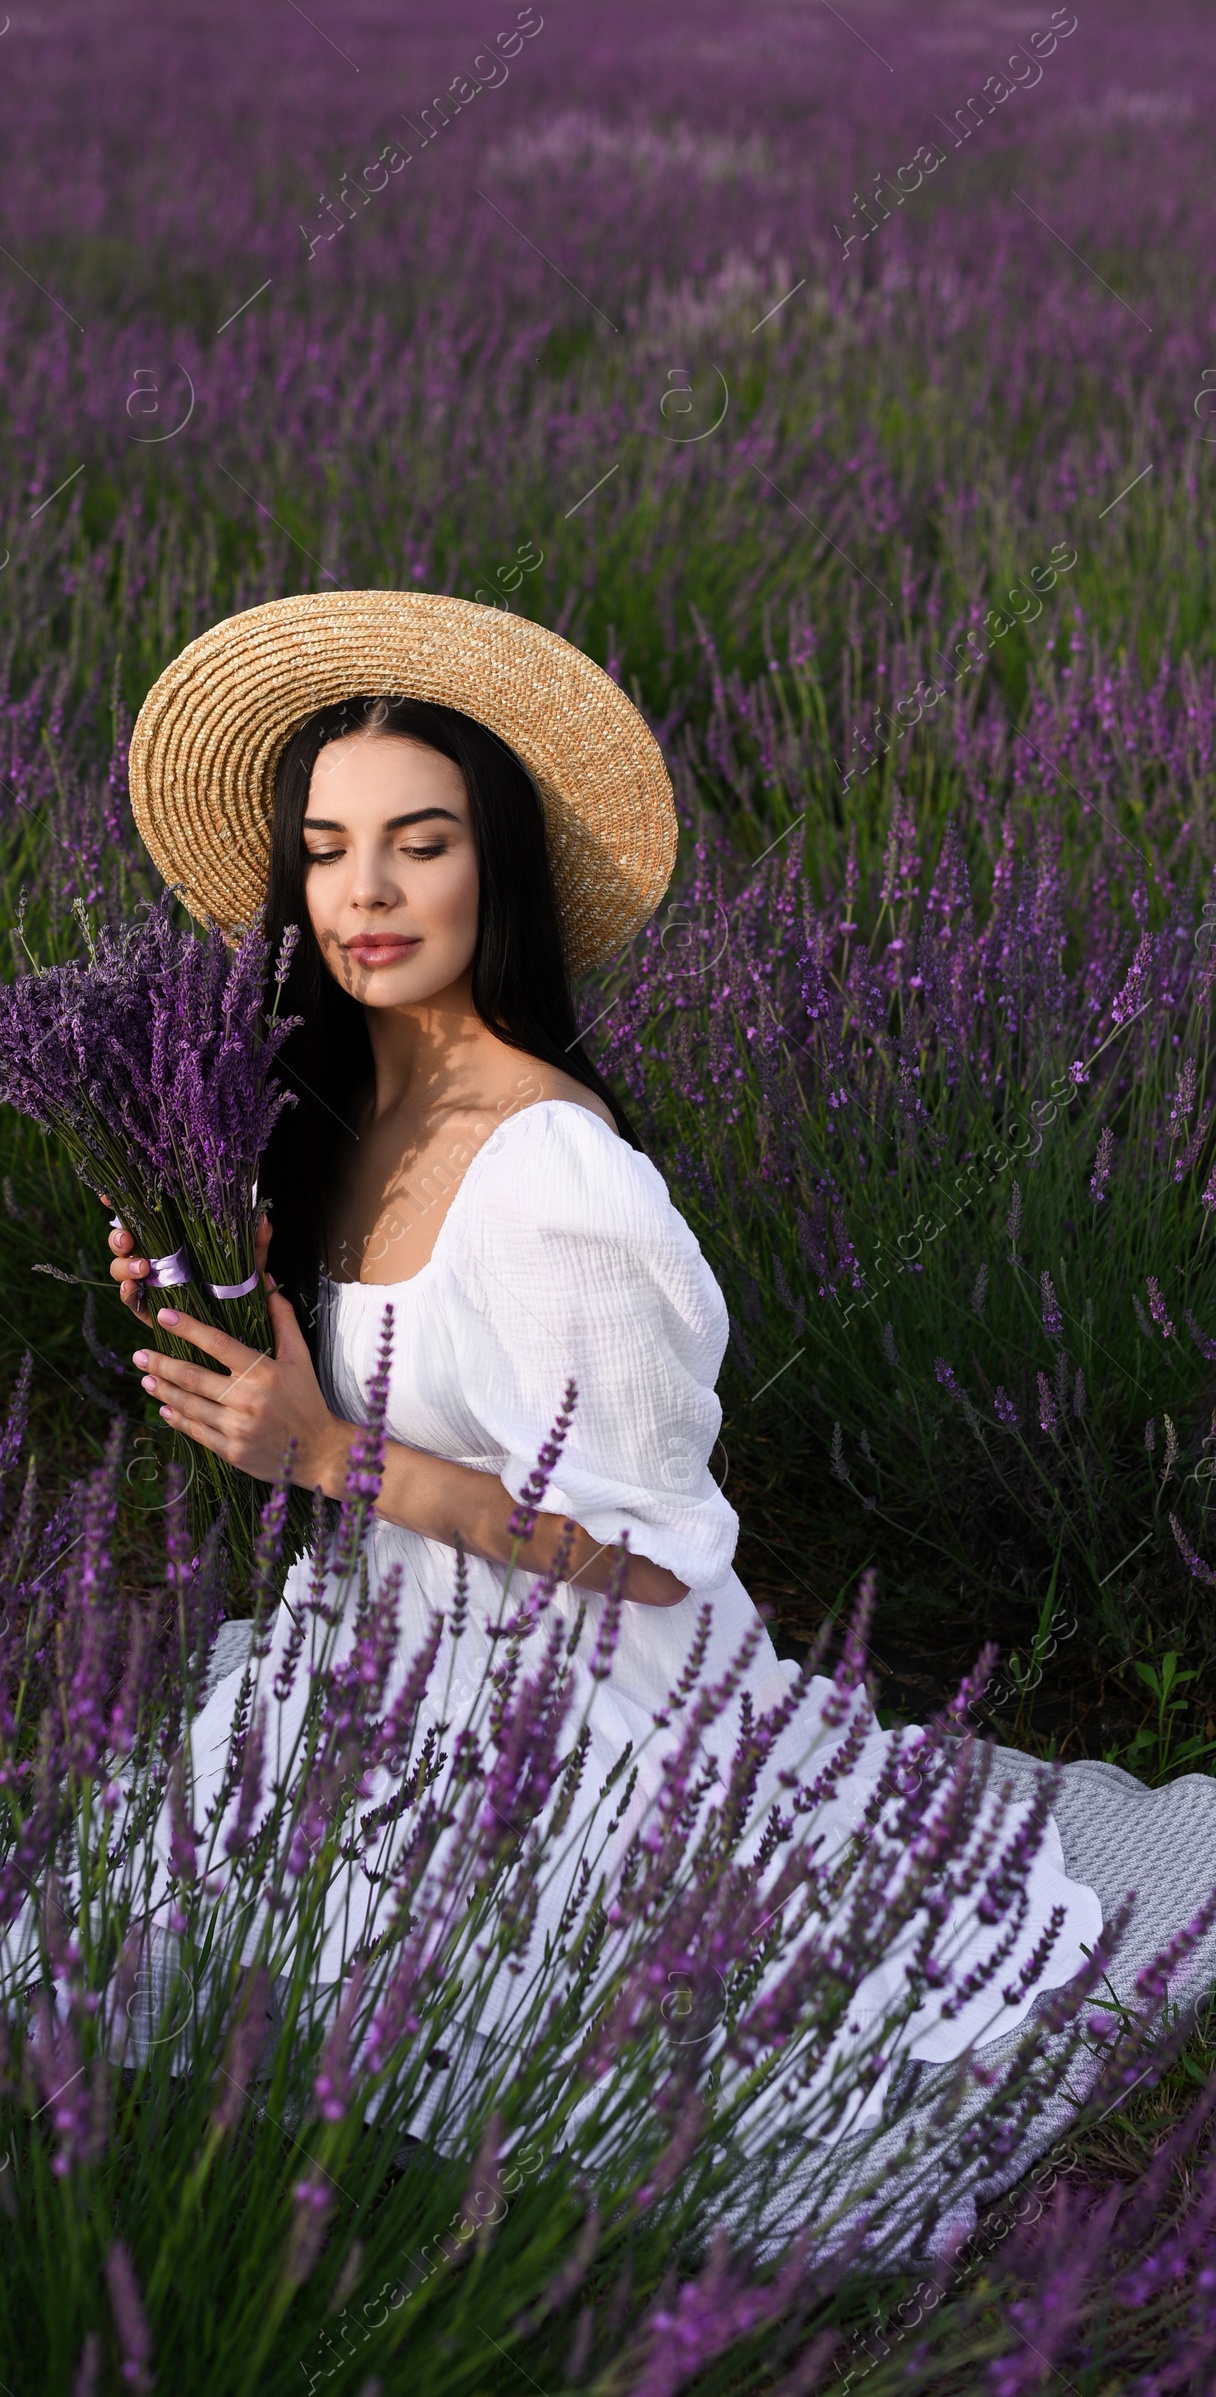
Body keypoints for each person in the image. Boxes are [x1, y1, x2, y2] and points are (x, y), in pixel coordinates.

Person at [105, 590, 1216, 2254]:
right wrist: (197, 1296)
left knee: (594, 2027)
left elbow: (638, 1553)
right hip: (394, 1654)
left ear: (503, 871)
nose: (370, 892)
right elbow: (362, 1376)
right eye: (330, 848)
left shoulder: (557, 1176)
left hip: (599, 1704)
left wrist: (320, 1455)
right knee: (192, 1926)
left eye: (424, 843)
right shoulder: (329, 1103)